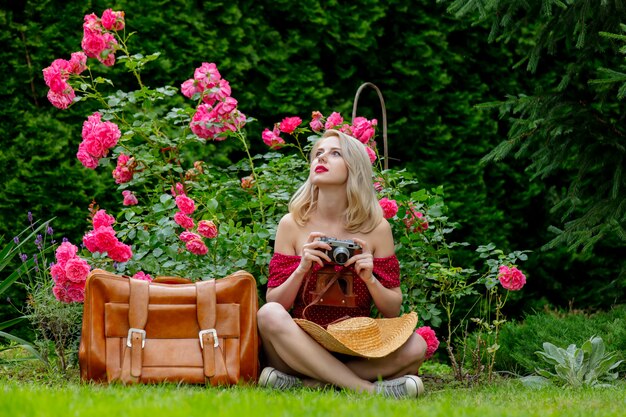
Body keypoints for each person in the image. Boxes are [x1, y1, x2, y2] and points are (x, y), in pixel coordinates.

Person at [256, 129, 430, 399]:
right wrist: (302, 267)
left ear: (355, 168)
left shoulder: (376, 228)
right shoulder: (292, 224)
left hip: (357, 347)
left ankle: (311, 385)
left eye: (335, 153)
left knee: (417, 345)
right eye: (318, 154)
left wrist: (371, 278)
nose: (321, 158)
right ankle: (368, 390)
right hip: (299, 345)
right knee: (268, 314)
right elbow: (276, 301)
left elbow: (392, 308)